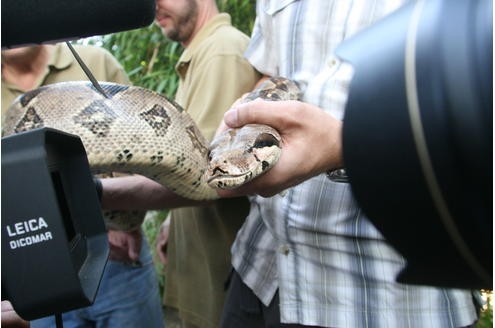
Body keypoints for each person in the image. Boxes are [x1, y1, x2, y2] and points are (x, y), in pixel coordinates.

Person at [216, 1, 480, 327]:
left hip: (382, 299)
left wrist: (347, 145)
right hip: (259, 273)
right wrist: (236, 128)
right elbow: (271, 74)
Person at [1, 43, 163, 328]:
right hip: (34, 271)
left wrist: (116, 223)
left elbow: (145, 140)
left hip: (119, 257)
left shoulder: (94, 61)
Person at [152, 0, 260, 327]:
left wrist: (103, 193)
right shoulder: (200, 55)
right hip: (196, 276)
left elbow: (206, 176)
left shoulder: (222, 51)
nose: (153, 5)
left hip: (220, 281)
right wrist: (171, 223)